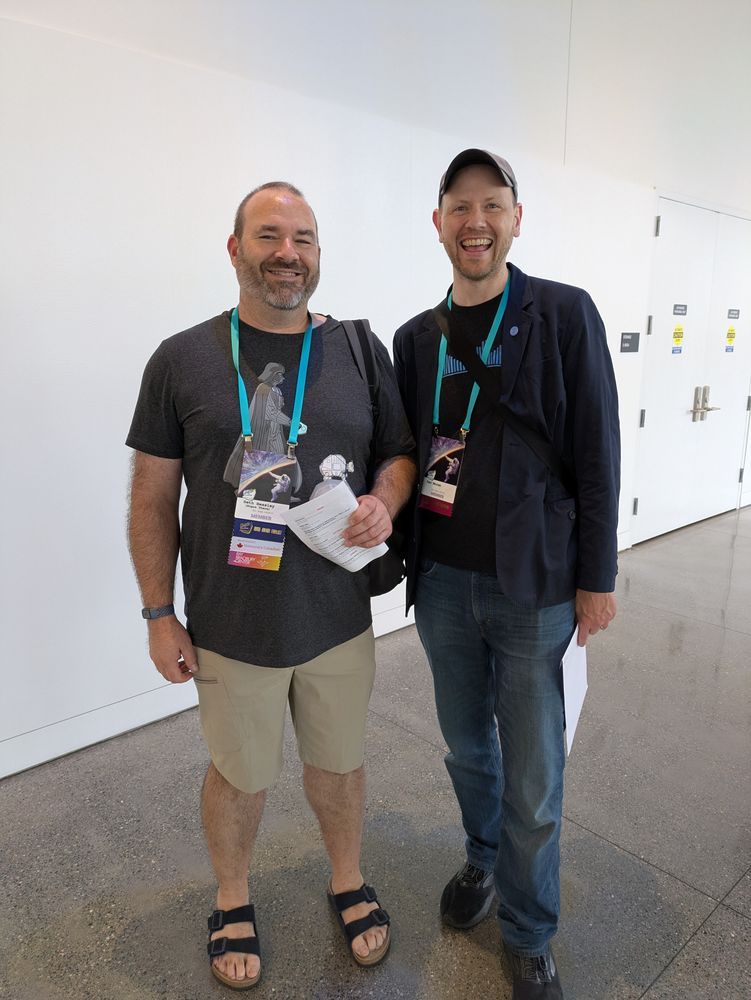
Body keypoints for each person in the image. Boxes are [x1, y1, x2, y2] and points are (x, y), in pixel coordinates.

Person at [127, 181, 415, 990]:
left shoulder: (358, 350)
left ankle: (347, 879)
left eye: (303, 238)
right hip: (231, 622)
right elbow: (151, 497)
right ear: (235, 249)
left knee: (339, 765)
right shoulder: (182, 358)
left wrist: (384, 500)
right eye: (268, 235)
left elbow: (399, 455)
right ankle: (232, 896)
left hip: (336, 616)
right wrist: (158, 613)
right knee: (239, 774)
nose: (287, 253)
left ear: (318, 254)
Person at [393, 150, 620, 1000]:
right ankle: (482, 858)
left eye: (492, 205)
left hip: (535, 584)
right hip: (442, 584)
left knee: (533, 772)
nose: (475, 221)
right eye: (460, 206)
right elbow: (406, 453)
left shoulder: (562, 313)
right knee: (466, 747)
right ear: (438, 223)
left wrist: (595, 576)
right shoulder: (416, 338)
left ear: (515, 219)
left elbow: (597, 449)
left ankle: (528, 933)